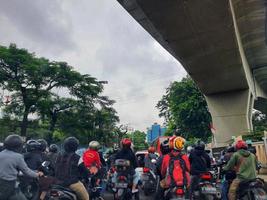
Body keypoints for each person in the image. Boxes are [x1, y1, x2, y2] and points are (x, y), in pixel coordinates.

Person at [0, 134, 43, 200]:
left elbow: (8, 169)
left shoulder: (1, 153)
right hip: (9, 185)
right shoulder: (18, 156)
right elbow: (27, 172)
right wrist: (37, 174)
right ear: (18, 146)